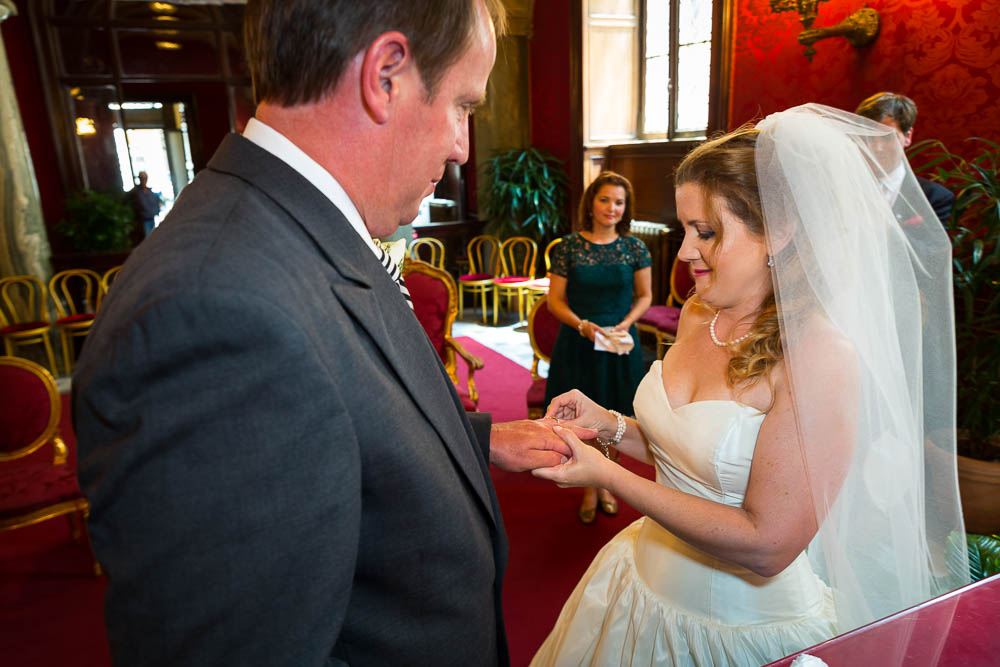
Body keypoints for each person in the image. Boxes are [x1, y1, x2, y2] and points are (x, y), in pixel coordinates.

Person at [72, 2, 591, 665]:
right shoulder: (213, 312)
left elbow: (336, 405)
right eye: (463, 105)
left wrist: (473, 438)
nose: (462, 145)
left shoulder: (297, 225)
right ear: (386, 75)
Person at [530, 104, 968, 666]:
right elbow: (688, 454)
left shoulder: (818, 354)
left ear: (778, 231)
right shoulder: (696, 312)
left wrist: (608, 474)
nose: (685, 251)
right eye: (686, 229)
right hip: (639, 581)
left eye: (705, 232)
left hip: (735, 629)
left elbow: (767, 544)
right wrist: (609, 424)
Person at [544, 171, 652, 524]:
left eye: (619, 202)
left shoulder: (635, 247)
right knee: (580, 419)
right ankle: (589, 484)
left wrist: (626, 323)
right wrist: (581, 325)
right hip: (579, 342)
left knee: (617, 415)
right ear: (591, 202)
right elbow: (554, 301)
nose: (611, 208)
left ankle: (607, 481)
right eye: (605, 199)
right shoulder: (569, 247)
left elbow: (645, 296)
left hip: (620, 344)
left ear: (626, 208)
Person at [855, 92, 955, 226]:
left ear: (908, 136)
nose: (876, 147)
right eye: (868, 137)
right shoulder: (837, 187)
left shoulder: (934, 198)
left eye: (886, 137)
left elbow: (928, 246)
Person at [126, 170, 162, 236]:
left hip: (152, 218)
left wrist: (157, 210)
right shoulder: (136, 192)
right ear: (139, 178)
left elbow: (157, 202)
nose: (144, 180)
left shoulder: (149, 191)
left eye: (145, 178)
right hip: (143, 221)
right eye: (142, 178)